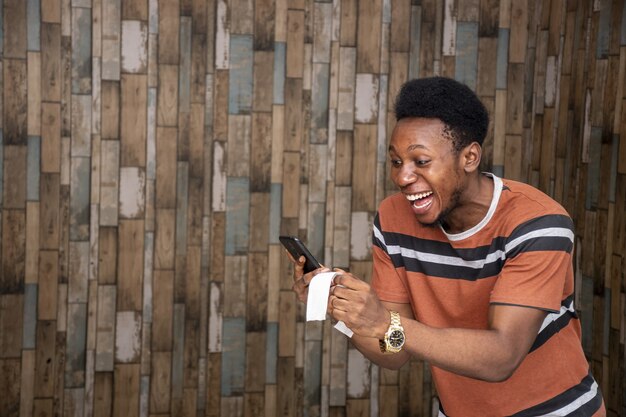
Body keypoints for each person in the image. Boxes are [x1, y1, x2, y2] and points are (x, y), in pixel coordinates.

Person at [289, 77, 605, 416]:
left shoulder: (538, 222)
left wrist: (384, 321)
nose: (403, 177)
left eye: (420, 162)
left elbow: (502, 357)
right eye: (396, 162)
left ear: (469, 157)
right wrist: (346, 311)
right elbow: (395, 350)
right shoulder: (394, 218)